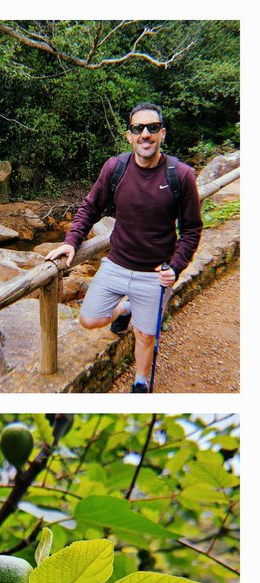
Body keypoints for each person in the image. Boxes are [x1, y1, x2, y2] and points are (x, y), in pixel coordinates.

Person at [45, 104, 201, 392]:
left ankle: (140, 385)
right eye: (138, 128)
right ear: (129, 136)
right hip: (116, 264)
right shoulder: (115, 168)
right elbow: (90, 208)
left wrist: (175, 267)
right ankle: (126, 308)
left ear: (162, 134)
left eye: (152, 128)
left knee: (145, 336)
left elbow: (191, 230)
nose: (145, 134)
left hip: (154, 273)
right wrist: (71, 242)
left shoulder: (180, 175)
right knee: (89, 319)